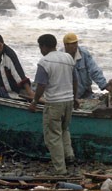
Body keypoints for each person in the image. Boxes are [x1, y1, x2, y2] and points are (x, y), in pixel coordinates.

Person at [28, 34, 79, 175]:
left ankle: (60, 170)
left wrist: (34, 101)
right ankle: (69, 156)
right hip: (68, 101)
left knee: (53, 137)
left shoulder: (44, 62)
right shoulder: (68, 58)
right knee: (64, 129)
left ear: (43, 46)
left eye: (40, 47)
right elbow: (75, 80)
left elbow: (41, 85)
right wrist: (75, 98)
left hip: (54, 103)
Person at [62, 33, 112, 99]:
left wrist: (104, 85)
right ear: (65, 45)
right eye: (72, 44)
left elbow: (94, 70)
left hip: (85, 92)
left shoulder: (84, 53)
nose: (75, 46)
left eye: (76, 43)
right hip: (66, 93)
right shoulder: (60, 56)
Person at [0, 33, 34, 99]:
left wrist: (29, 92)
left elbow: (19, 75)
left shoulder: (9, 55)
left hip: (12, 89)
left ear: (3, 43)